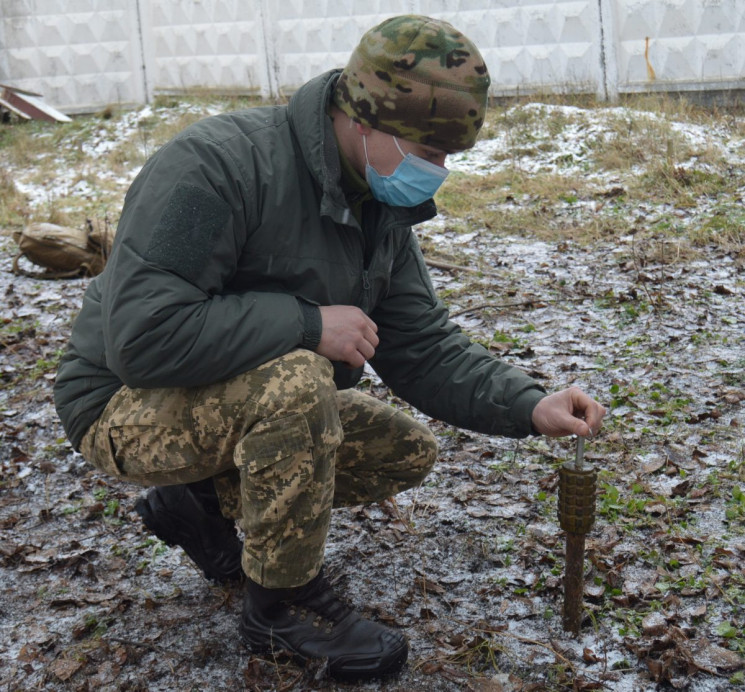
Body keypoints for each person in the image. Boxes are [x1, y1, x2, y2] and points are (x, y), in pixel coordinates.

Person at [54, 14, 606, 681]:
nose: (436, 172)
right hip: (119, 402)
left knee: (400, 450)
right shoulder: (214, 167)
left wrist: (529, 404)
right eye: (424, 150)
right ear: (361, 120)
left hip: (228, 400)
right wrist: (308, 324)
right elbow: (144, 337)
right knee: (296, 383)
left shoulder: (375, 203)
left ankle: (196, 503)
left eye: (447, 155)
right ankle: (280, 607)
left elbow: (421, 346)